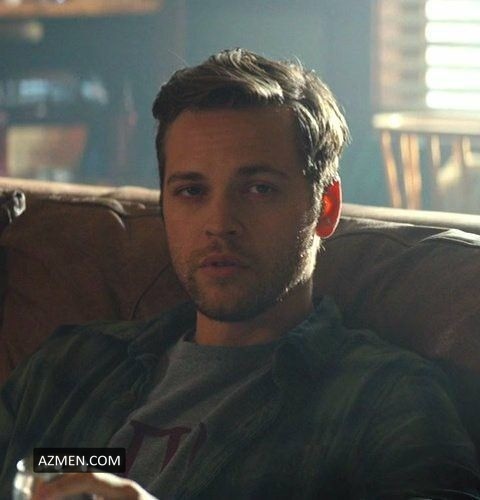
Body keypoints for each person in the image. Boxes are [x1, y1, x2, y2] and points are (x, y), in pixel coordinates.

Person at [1, 48, 479, 499]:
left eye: (258, 189)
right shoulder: (71, 364)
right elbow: (42, 465)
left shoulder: (381, 398)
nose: (219, 224)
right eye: (191, 191)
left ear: (325, 207)